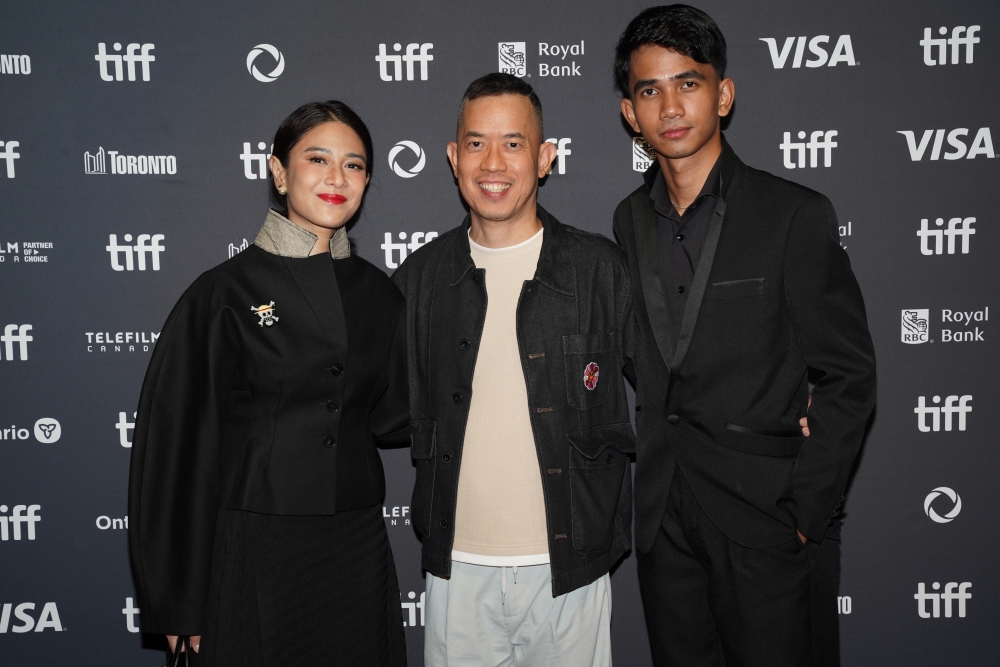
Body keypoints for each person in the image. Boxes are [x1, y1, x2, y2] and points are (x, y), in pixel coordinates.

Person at [611, 6, 876, 666]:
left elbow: (849, 372)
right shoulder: (628, 221)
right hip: (665, 520)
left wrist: (804, 509)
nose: (670, 105)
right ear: (630, 113)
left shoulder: (793, 214)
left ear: (723, 94)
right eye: (650, 90)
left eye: (689, 83)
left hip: (766, 517)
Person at [128, 101, 408, 667]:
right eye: (317, 158)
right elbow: (177, 454)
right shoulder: (222, 295)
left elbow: (396, 415)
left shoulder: (380, 293)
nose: (336, 178)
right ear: (279, 172)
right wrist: (181, 602)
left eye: (354, 165)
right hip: (255, 545)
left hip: (354, 547)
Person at [392, 73, 636, 667]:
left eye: (514, 143)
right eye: (475, 143)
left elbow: (671, 382)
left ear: (545, 157)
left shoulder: (599, 270)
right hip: (459, 571)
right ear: (453, 158)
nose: (492, 162)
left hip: (569, 566)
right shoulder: (418, 280)